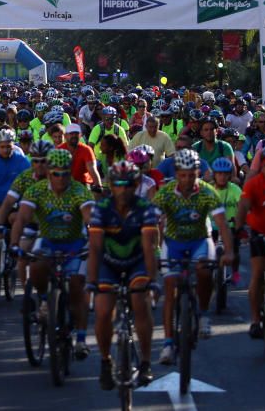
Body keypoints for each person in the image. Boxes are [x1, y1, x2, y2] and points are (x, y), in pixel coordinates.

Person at [153, 148, 234, 364]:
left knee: (204, 270)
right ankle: (168, 344)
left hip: (200, 240)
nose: (187, 180)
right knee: (170, 288)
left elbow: (222, 225)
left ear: (198, 172)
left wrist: (229, 251)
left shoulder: (208, 192)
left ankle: (204, 313)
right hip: (173, 242)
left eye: (192, 174)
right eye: (183, 175)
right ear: (176, 173)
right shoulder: (167, 192)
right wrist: (153, 251)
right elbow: (151, 223)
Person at [10, 148, 93, 358]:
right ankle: (46, 300)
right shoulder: (36, 190)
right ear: (49, 173)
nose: (61, 178)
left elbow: (90, 219)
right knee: (35, 266)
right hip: (48, 242)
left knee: (77, 286)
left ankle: (81, 339)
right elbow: (21, 219)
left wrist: (95, 243)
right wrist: (14, 244)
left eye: (66, 172)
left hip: (75, 243)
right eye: (57, 173)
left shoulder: (79, 191)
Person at [88, 160, 159, 389]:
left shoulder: (145, 208)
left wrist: (152, 281)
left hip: (136, 262)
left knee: (140, 301)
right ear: (111, 185)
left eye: (129, 184)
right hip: (109, 263)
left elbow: (149, 248)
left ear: (136, 184)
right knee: (103, 309)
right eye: (118, 184)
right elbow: (95, 248)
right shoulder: (102, 208)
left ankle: (146, 362)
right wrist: (91, 282)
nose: (124, 189)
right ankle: (105, 361)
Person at [209, 157, 243, 283]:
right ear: (214, 174)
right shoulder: (208, 189)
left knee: (235, 248)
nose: (222, 177)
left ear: (229, 175)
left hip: (230, 225)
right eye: (219, 173)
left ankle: (235, 271)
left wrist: (240, 220)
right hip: (211, 226)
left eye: (225, 174)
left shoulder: (235, 189)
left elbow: (242, 206)